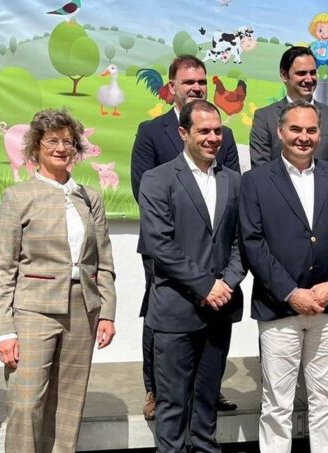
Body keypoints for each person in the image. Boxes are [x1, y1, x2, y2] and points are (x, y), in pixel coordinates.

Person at [0, 109, 117, 453]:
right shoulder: (18, 197)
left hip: (83, 309)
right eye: (52, 142)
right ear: (36, 148)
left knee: (68, 404)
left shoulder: (89, 196)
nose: (61, 148)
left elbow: (103, 261)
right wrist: (4, 330)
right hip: (32, 311)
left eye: (68, 142)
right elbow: (2, 270)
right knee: (25, 405)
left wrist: (107, 311)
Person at [240, 101, 328, 453]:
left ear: (320, 134)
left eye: (311, 131)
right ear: (280, 132)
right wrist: (291, 292)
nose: (303, 137)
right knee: (278, 397)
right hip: (280, 307)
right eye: (295, 130)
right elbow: (252, 242)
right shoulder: (256, 181)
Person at [138, 100, 247, 453]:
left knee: (205, 396)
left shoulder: (234, 182)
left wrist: (227, 283)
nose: (212, 138)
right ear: (184, 133)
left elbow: (241, 243)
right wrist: (204, 285)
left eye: (217, 131)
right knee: (172, 400)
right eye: (203, 131)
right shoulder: (158, 179)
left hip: (220, 307)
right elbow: (159, 244)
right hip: (175, 308)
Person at [131, 55, 240, 419]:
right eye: (188, 82)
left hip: (215, 252)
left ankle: (208, 388)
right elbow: (142, 187)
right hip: (167, 248)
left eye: (201, 82)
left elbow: (231, 191)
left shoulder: (223, 136)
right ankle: (156, 389)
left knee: (211, 326)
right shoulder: (151, 131)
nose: (196, 87)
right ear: (172, 86)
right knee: (164, 319)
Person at [249, 46, 328, 171]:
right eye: (301, 73)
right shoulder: (265, 118)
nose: (309, 79)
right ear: (284, 75)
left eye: (312, 73)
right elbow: (260, 170)